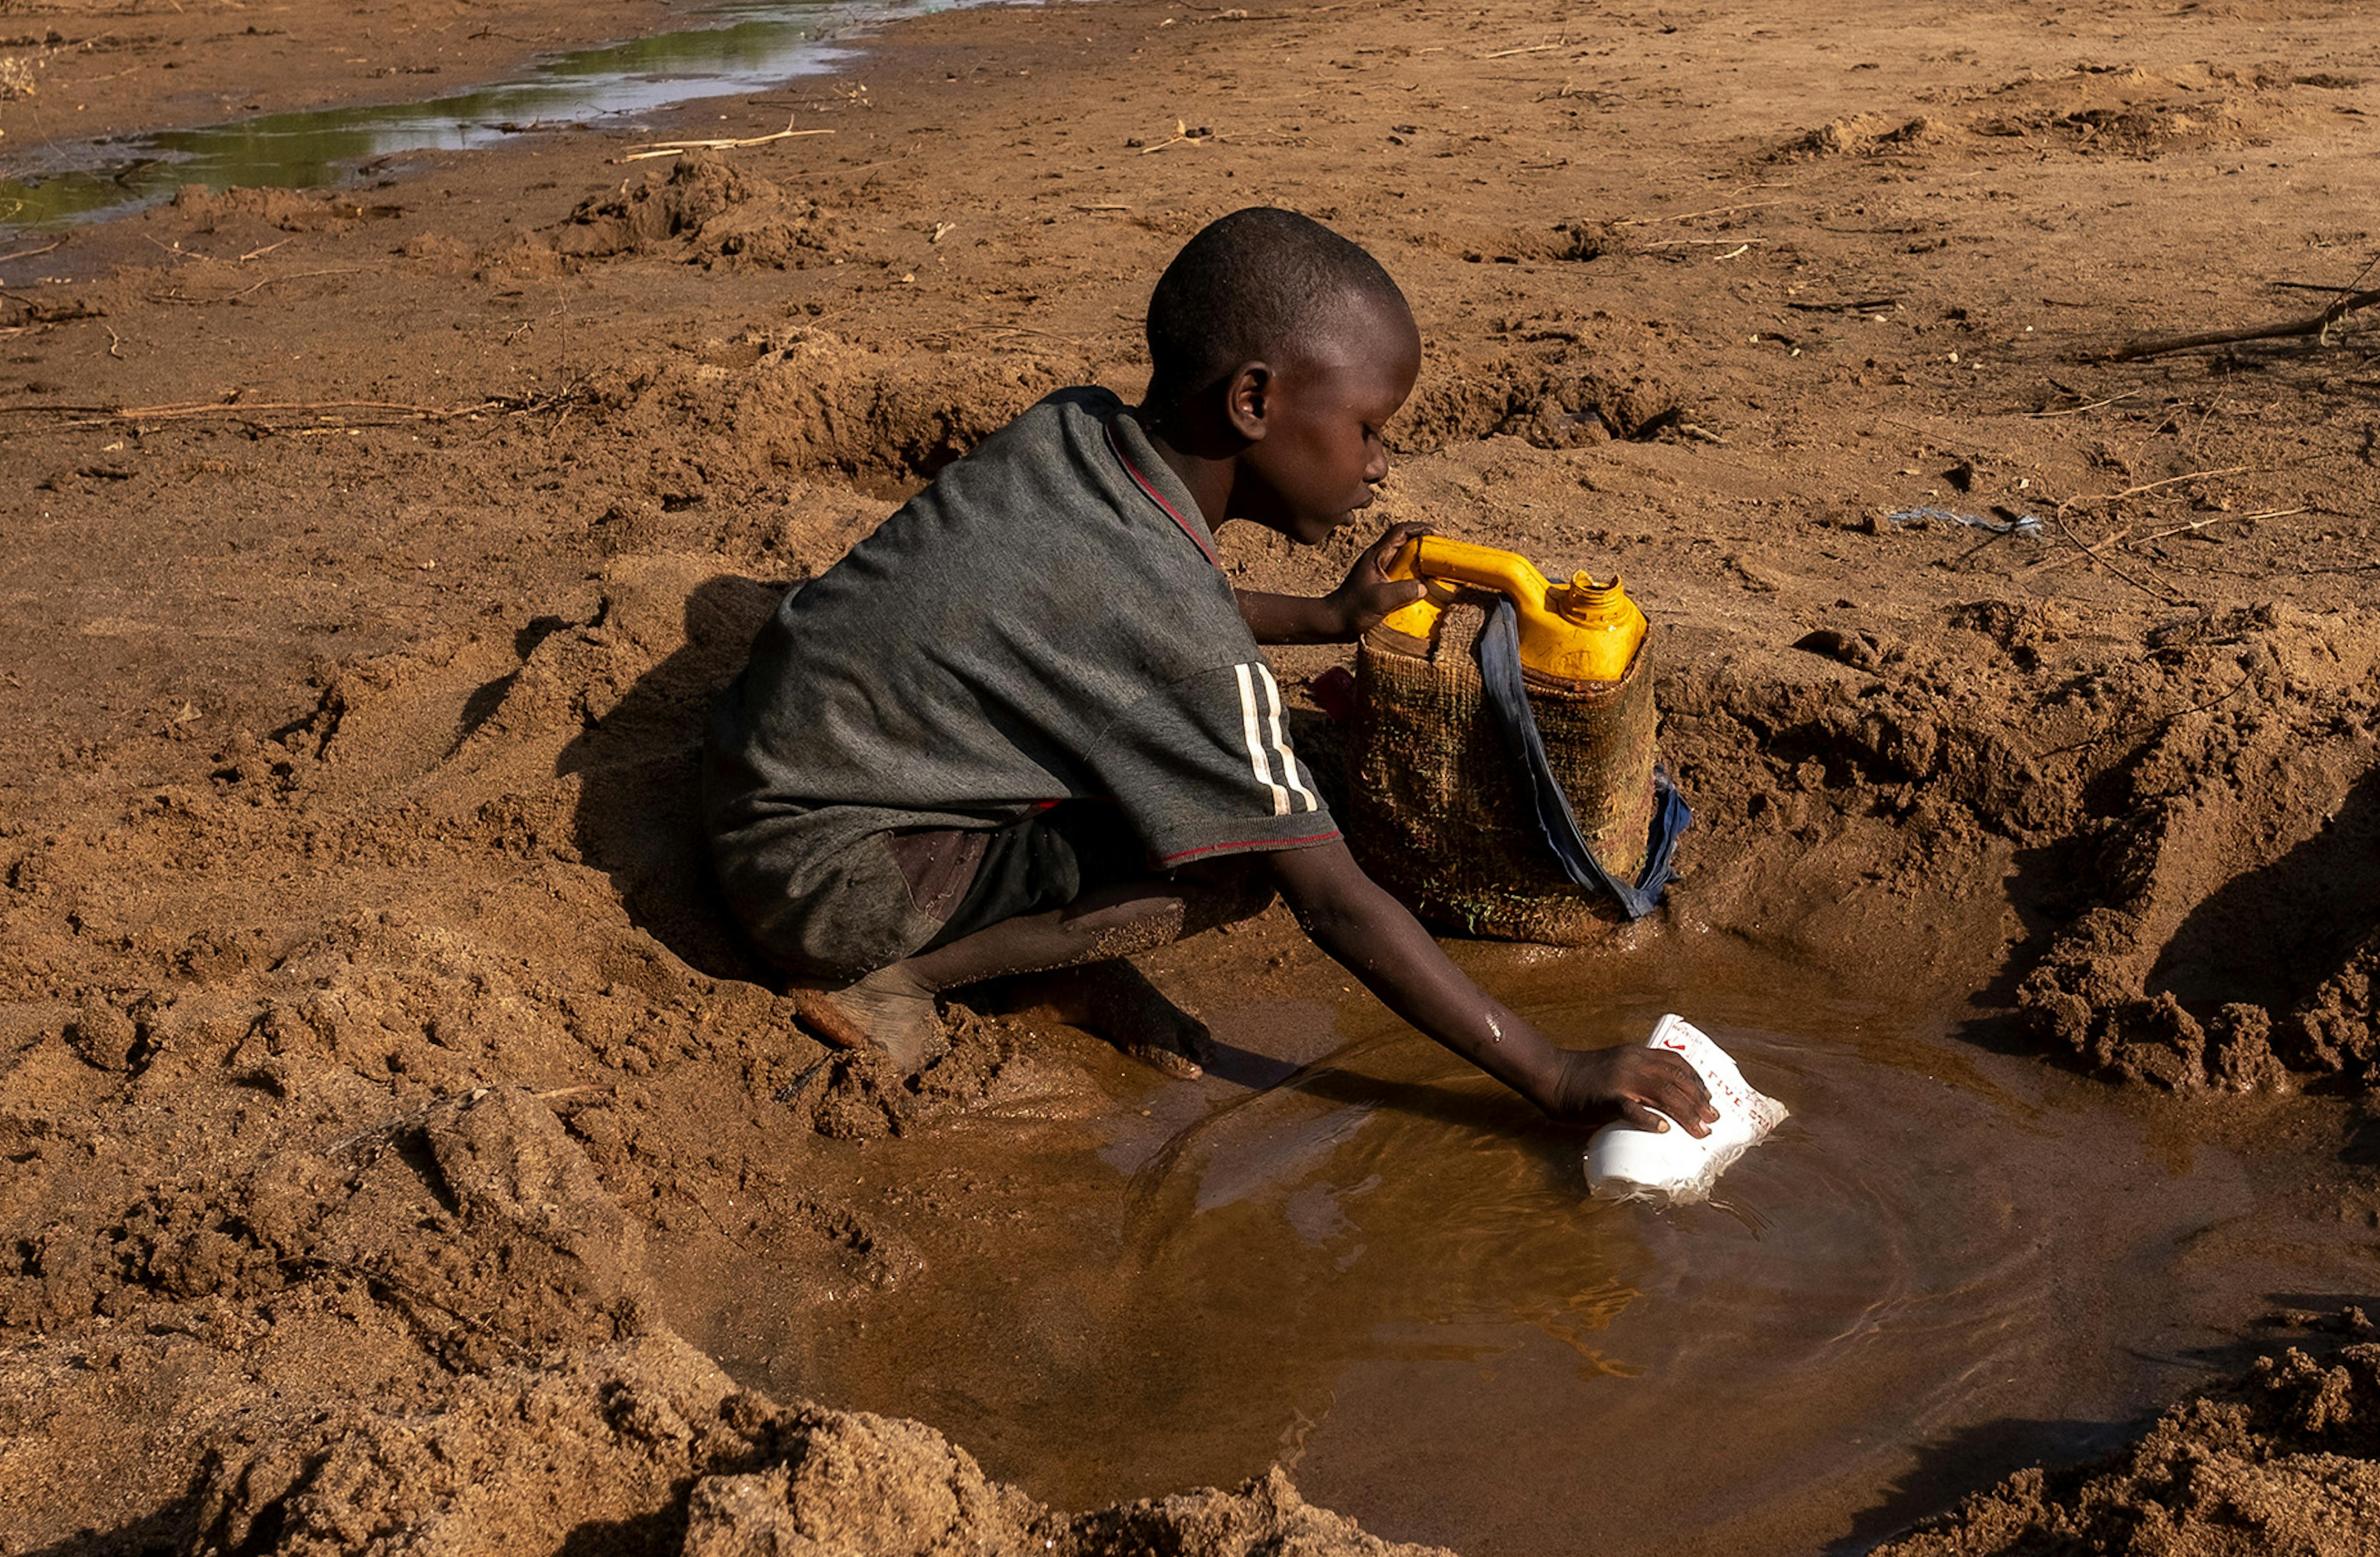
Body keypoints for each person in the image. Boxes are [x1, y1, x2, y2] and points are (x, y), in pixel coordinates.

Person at [699, 206, 1716, 1143]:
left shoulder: (1078, 431)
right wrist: (1551, 1069)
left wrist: (1323, 620)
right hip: (829, 888)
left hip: (765, 786)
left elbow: (1108, 616)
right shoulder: (1175, 626)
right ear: (1253, 400)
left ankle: (1038, 960)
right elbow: (1335, 902)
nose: (1378, 465)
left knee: (1186, 762)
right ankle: (904, 976)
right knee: (1239, 855)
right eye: (1367, 428)